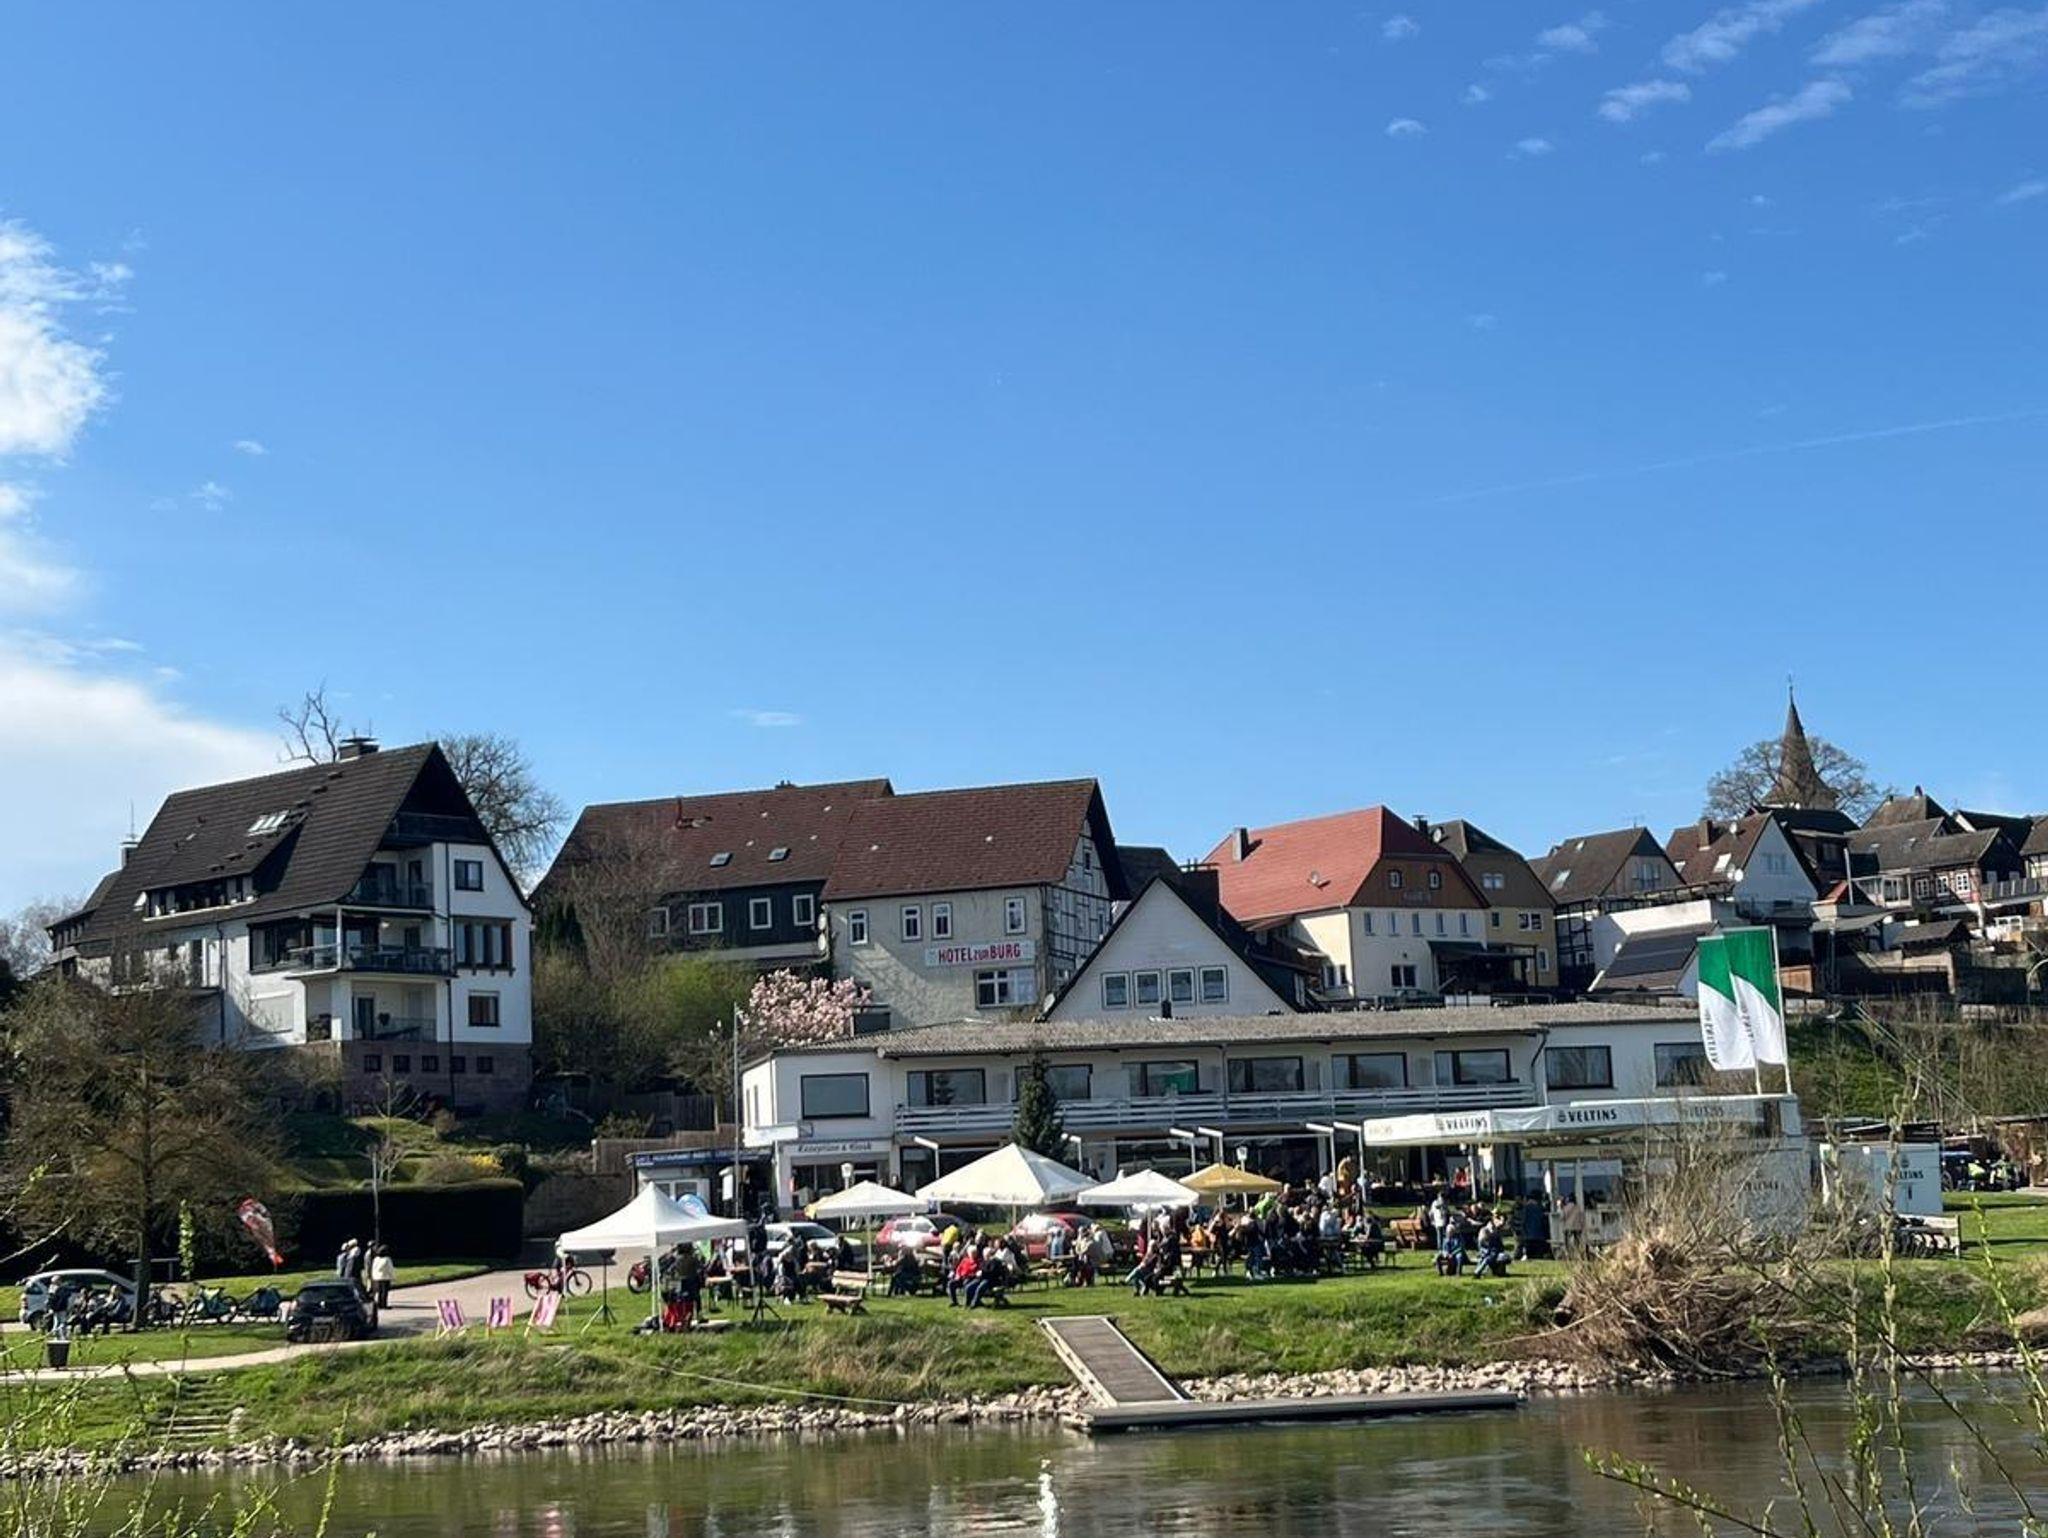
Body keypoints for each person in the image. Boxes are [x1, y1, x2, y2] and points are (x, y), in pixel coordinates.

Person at [1471, 1211, 1511, 1278]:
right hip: (1487, 1252)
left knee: (1503, 1257)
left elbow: (1499, 1244)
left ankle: (1499, 1272)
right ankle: (1477, 1273)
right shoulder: (1485, 1230)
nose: (1502, 1223)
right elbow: (1482, 1244)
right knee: (1488, 1259)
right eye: (1501, 1221)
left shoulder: (1497, 1230)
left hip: (1495, 1251)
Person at [1515, 1193, 1551, 1263]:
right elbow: (1543, 1222)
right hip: (1539, 1236)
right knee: (1538, 1255)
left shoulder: (1526, 1208)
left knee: (1530, 1255)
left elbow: (1523, 1221)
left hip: (1528, 1236)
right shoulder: (1540, 1208)